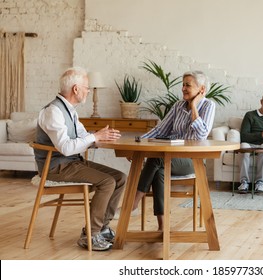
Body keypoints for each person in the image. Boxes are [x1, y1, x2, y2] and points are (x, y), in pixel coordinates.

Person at [34, 66, 126, 251]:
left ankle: (102, 228)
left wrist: (101, 138)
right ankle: (90, 235)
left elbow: (83, 137)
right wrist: (95, 137)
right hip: (56, 167)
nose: (88, 91)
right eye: (86, 87)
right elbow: (66, 147)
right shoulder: (54, 112)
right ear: (76, 89)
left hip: (72, 163)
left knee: (120, 177)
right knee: (107, 182)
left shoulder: (71, 111)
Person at [126, 70, 215, 231]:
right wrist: (137, 144)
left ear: (201, 89)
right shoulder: (178, 106)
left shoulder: (208, 105)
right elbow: (159, 131)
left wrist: (194, 106)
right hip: (171, 158)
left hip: (191, 160)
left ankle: (133, 203)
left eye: (188, 85)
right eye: (183, 85)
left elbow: (202, 133)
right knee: (159, 170)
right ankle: (162, 227)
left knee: (157, 158)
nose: (183, 88)